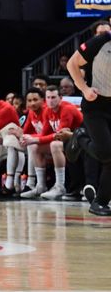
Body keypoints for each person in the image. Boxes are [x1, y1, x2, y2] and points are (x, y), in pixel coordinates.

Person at [66, 30, 111, 215]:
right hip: (95, 106)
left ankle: (100, 202)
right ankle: (80, 137)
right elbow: (72, 64)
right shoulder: (101, 41)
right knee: (106, 153)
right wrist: (84, 89)